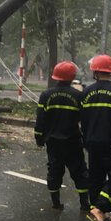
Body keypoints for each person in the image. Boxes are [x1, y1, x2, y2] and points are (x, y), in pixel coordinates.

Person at [80, 55, 111, 221]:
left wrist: (86, 139)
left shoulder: (87, 92)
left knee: (96, 178)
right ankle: (100, 208)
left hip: (92, 142)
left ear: (95, 71)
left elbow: (83, 120)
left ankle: (99, 212)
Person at [34, 61, 89, 211]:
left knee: (54, 171)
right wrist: (86, 139)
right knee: (80, 172)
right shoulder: (78, 95)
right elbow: (85, 120)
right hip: (73, 141)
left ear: (56, 77)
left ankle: (56, 203)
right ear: (72, 77)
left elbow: (41, 119)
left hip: (53, 142)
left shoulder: (46, 95)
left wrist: (39, 138)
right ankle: (85, 204)